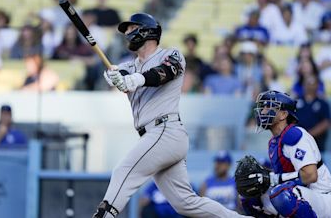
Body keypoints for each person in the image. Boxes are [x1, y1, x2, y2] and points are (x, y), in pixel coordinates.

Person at [94, 12, 247, 218]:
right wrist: (114, 77)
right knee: (186, 203)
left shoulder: (171, 55)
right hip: (156, 137)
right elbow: (119, 74)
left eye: (132, 28)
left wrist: (134, 80)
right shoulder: (129, 66)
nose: (128, 33)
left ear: (147, 31)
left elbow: (164, 73)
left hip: (165, 130)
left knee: (123, 171)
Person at [237, 90, 331, 217]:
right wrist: (264, 177)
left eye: (269, 107)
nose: (263, 111)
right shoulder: (273, 142)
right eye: (263, 107)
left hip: (322, 197)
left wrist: (273, 178)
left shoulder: (294, 135)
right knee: (250, 196)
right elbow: (286, 176)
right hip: (301, 195)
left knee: (282, 194)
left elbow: (310, 175)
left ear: (283, 114)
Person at [296, 75, 330, 152]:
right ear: (303, 85)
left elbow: (325, 123)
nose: (310, 86)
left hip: (317, 145)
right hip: (297, 142)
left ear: (317, 85)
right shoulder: (296, 102)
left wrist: (308, 135)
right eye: (307, 83)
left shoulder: (323, 103)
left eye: (312, 83)